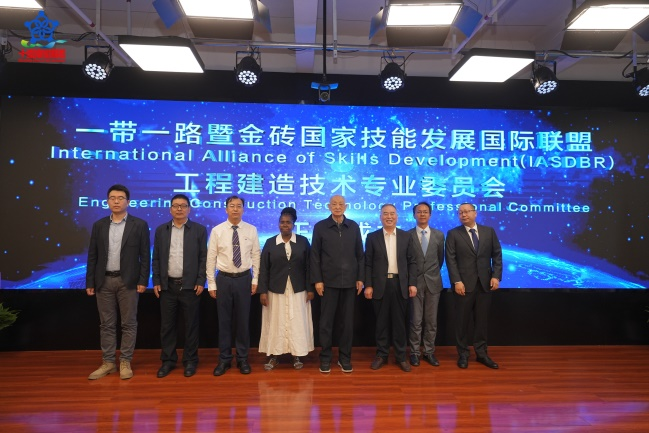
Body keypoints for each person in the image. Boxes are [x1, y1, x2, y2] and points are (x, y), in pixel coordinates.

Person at [86, 184, 150, 380]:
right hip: (103, 281)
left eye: (120, 198)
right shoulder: (99, 225)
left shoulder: (139, 225)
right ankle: (108, 362)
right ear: (107, 201)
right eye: (112, 198)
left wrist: (143, 280)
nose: (116, 201)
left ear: (128, 202)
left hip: (128, 281)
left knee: (128, 323)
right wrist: (90, 282)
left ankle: (125, 361)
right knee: (106, 324)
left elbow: (145, 256)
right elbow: (93, 255)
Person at [152, 194, 207, 378]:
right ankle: (168, 361)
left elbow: (203, 258)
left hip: (190, 286)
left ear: (189, 209)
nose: (179, 209)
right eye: (175, 206)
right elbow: (156, 258)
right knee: (167, 326)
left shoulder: (199, 230)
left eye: (183, 206)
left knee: (191, 326)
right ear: (170, 209)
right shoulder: (162, 230)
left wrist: (200, 281)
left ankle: (190, 361)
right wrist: (157, 280)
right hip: (167, 286)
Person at [206, 195, 261, 376]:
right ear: (226, 209)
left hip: (244, 279)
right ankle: (224, 359)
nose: (235, 209)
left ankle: (243, 359)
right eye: (232, 206)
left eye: (239, 206)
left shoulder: (251, 230)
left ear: (243, 209)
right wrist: (211, 283)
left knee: (243, 321)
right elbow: (211, 258)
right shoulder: (217, 230)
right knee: (224, 321)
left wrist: (255, 279)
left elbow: (256, 256)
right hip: (223, 279)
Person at [310, 195, 364, 373]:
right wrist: (317, 280)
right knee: (326, 323)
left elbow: (360, 255)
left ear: (346, 206)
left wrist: (360, 278)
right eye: (334, 204)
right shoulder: (320, 227)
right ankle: (325, 358)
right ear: (328, 206)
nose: (337, 207)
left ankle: (344, 358)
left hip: (349, 283)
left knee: (346, 323)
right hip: (328, 283)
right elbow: (315, 255)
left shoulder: (353, 226)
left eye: (341, 204)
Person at [445, 203, 503, 369]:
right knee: (462, 322)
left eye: (466, 212)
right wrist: (457, 281)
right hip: (463, 285)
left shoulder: (488, 232)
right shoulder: (453, 234)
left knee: (481, 322)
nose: (463, 215)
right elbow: (451, 260)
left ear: (475, 213)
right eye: (460, 212)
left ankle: (482, 353)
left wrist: (496, 276)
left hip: (485, 285)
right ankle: (463, 354)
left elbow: (497, 255)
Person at [258, 207, 314, 370]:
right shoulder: (270, 242)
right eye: (282, 222)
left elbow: (309, 266)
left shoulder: (303, 242)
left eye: (288, 222)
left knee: (296, 322)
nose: (285, 225)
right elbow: (264, 269)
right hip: (275, 290)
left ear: (293, 224)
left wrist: (310, 288)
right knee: (276, 322)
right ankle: (274, 356)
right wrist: (263, 291)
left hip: (298, 289)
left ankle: (297, 355)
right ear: (278, 224)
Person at [364, 204, 418, 372]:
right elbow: (368, 263)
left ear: (397, 216)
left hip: (400, 284)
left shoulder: (406, 236)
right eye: (385, 214)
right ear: (380, 217)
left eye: (392, 214)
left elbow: (412, 262)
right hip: (380, 285)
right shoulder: (372, 237)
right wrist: (368, 285)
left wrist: (412, 283)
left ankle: (401, 356)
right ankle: (382, 355)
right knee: (381, 323)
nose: (389, 217)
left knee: (399, 323)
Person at [408, 202, 445, 367]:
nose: (422, 214)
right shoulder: (407, 235)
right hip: (414, 284)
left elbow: (440, 259)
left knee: (431, 321)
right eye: (419, 212)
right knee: (415, 320)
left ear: (430, 215)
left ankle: (429, 352)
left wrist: (432, 273)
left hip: (433, 283)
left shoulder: (439, 235)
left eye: (425, 212)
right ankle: (414, 352)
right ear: (414, 215)